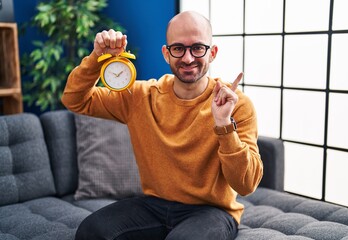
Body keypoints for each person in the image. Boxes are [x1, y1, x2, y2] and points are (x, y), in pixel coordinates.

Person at [62, 11, 263, 240]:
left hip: (212, 212)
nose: (188, 58)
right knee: (91, 231)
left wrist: (224, 124)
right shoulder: (140, 97)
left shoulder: (234, 103)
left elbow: (246, 185)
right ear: (166, 54)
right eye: (178, 48)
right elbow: (74, 99)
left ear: (212, 53)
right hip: (154, 206)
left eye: (197, 48)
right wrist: (96, 58)